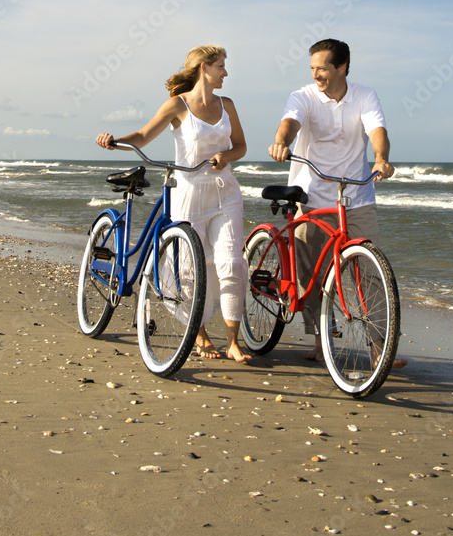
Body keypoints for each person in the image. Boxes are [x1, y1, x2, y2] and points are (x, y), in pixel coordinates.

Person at [96, 44, 251, 363]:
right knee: (190, 268)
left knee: (231, 263)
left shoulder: (227, 105)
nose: (226, 72)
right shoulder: (177, 105)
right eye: (221, 66)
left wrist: (226, 156)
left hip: (225, 191)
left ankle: (234, 341)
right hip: (189, 193)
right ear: (204, 68)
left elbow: (241, 146)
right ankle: (201, 335)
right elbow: (141, 136)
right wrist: (115, 142)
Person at [268, 38, 406, 368]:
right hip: (312, 197)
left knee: (371, 272)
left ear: (342, 67)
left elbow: (377, 128)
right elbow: (291, 122)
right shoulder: (303, 96)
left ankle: (378, 347)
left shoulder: (364, 95)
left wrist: (380, 159)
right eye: (312, 68)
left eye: (323, 68)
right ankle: (320, 341)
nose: (316, 74)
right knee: (311, 275)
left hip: (356, 196)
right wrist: (280, 142)